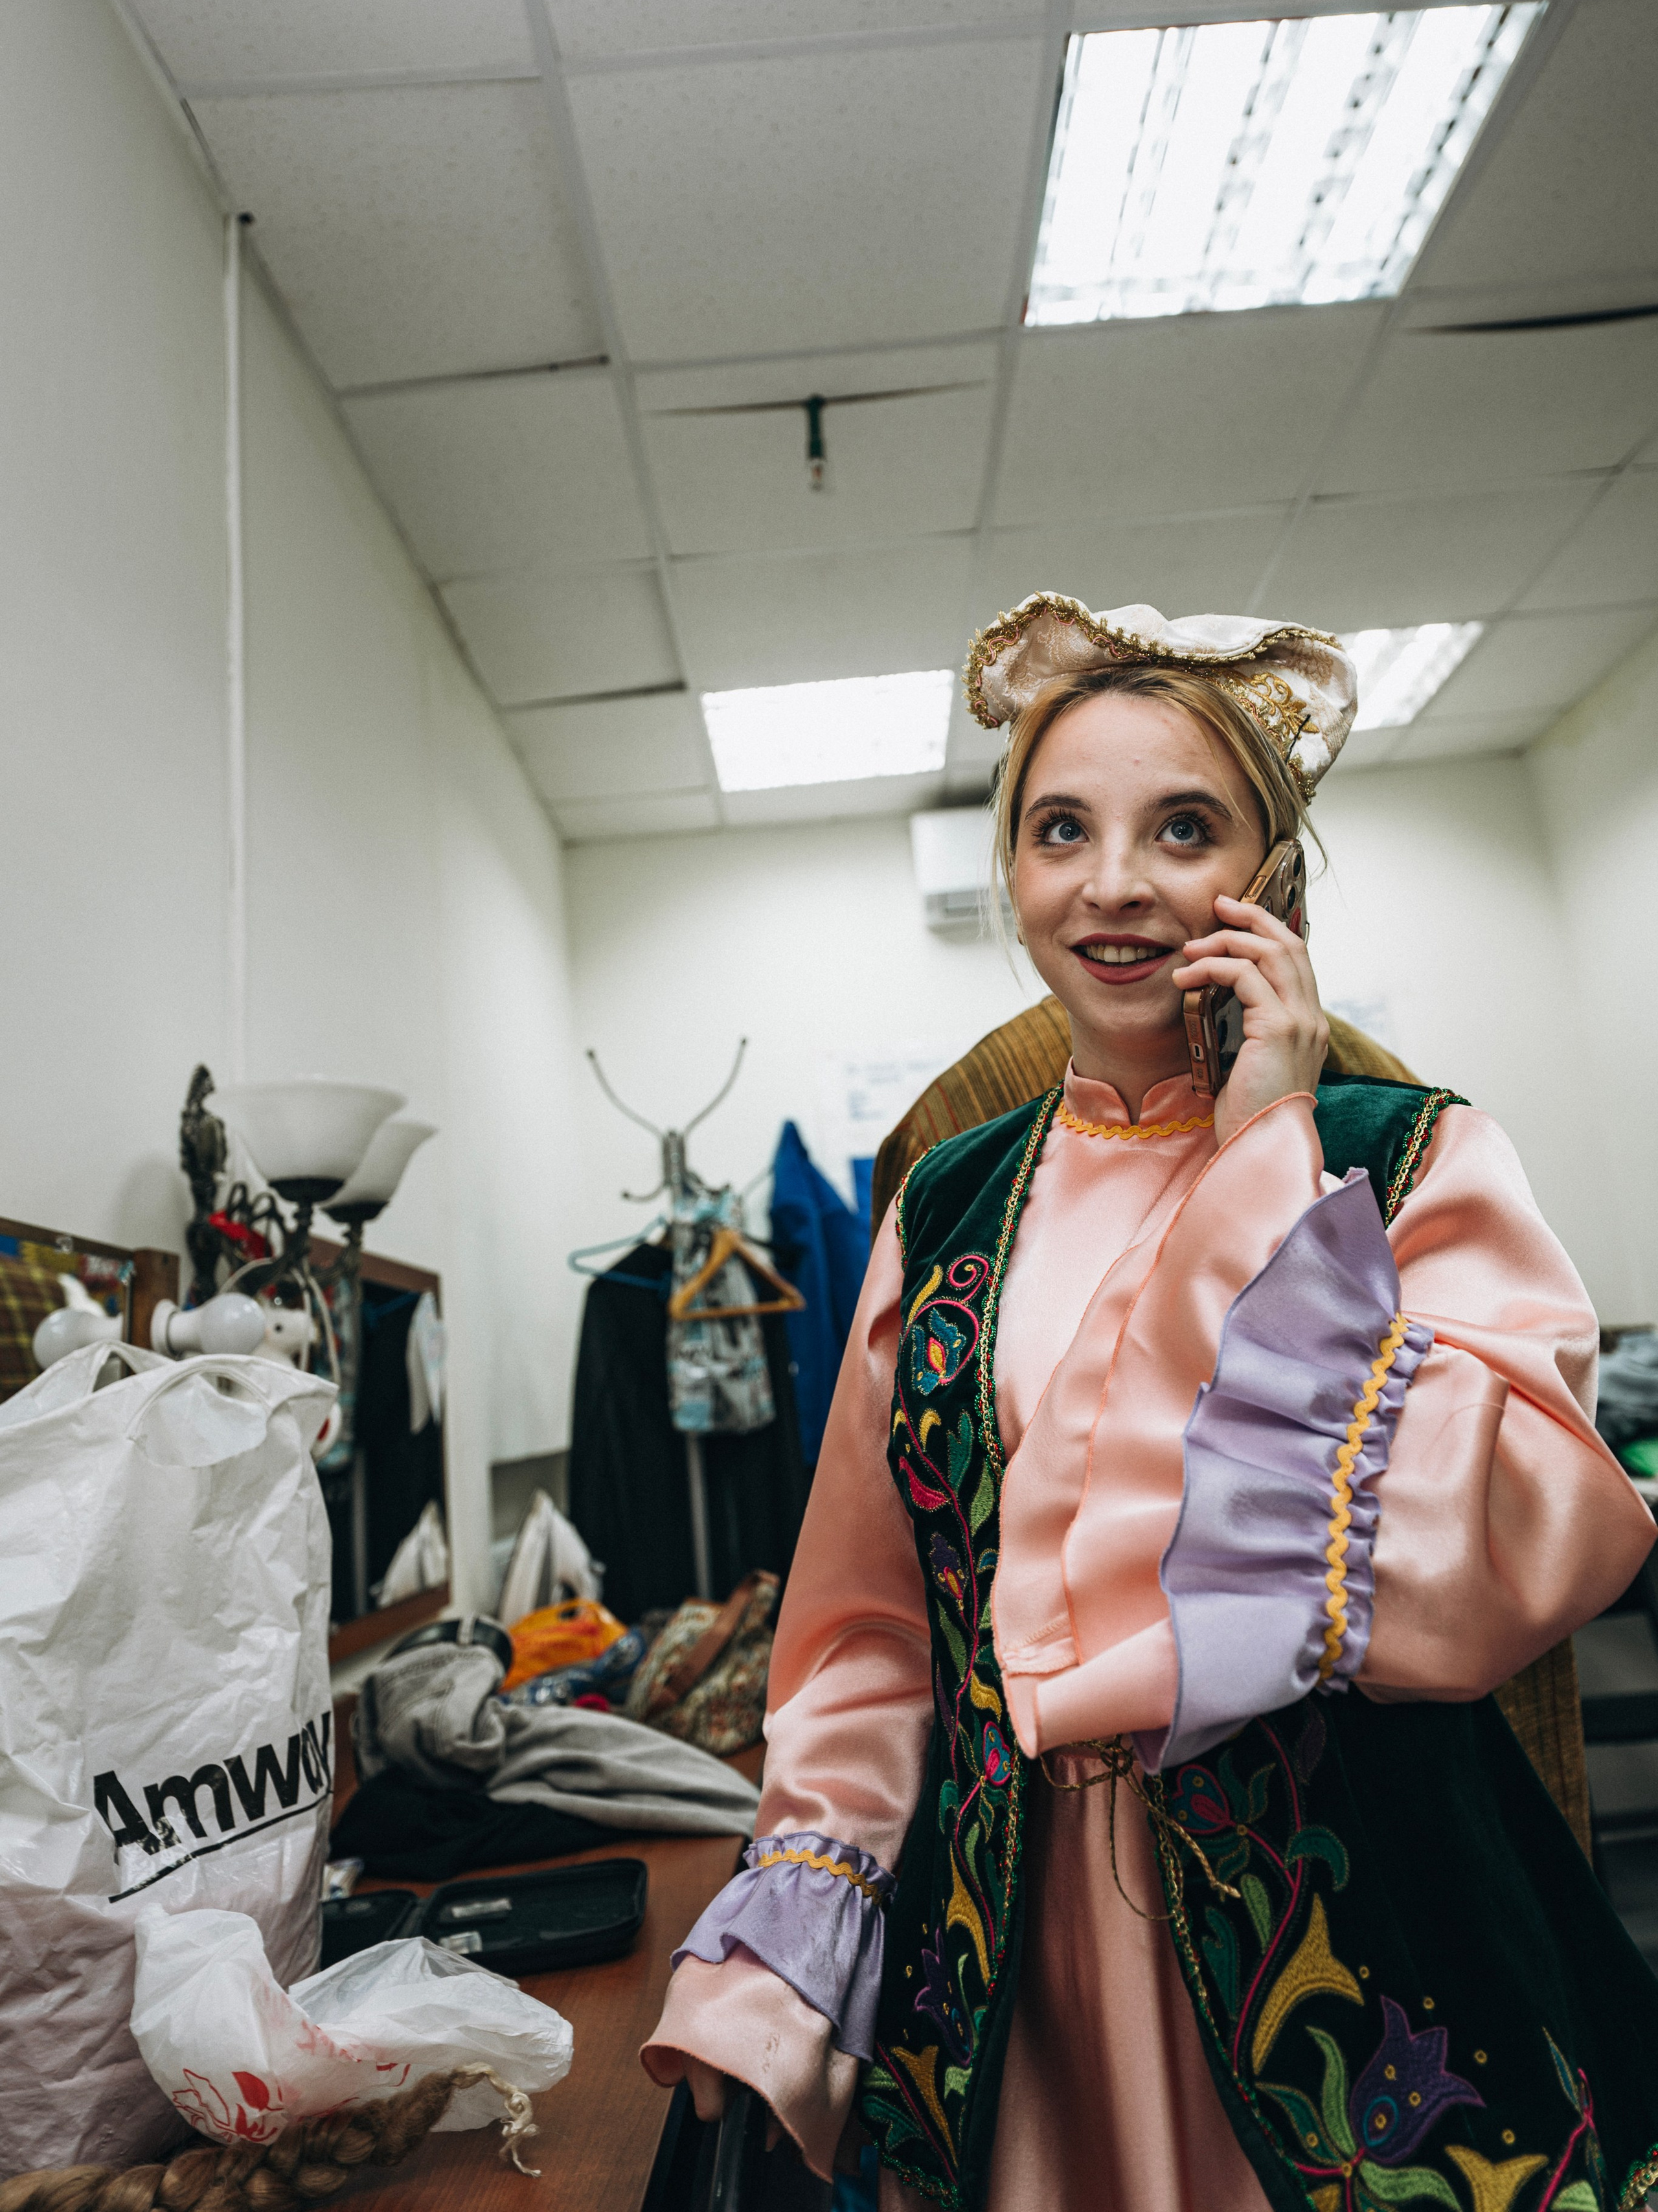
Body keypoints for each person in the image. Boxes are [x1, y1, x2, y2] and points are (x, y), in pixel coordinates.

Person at [643, 595, 1658, 2212]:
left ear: (1267, 874)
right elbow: (868, 1626)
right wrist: (787, 1937)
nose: (1110, 883)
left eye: (1180, 828)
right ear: (1012, 870)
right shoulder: (946, 1210)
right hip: (1013, 1978)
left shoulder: (1407, 1157)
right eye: (1060, 830)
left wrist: (1268, 1146)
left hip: (1366, 1957)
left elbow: (1498, 1565)